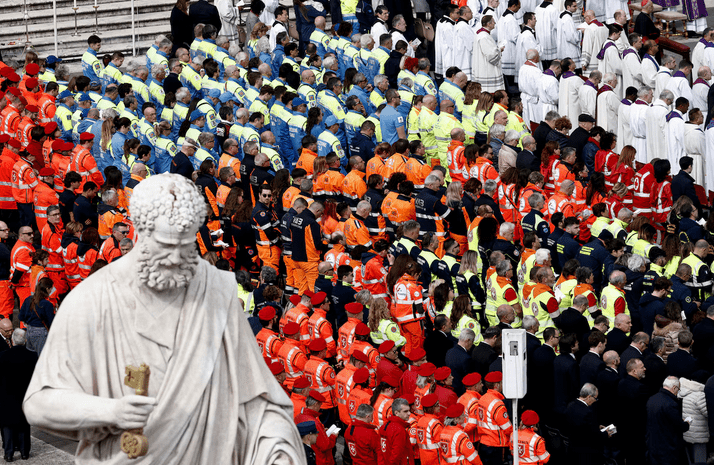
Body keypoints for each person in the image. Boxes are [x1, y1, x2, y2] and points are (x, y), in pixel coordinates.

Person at [23, 174, 305, 464]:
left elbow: (257, 400)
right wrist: (110, 411)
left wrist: (278, 450)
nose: (175, 259)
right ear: (139, 233)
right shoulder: (92, 299)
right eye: (166, 245)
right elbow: (39, 402)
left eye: (185, 247)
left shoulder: (216, 290)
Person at [0, 329, 37, 462]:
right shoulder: (33, 356)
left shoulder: (2, 356)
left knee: (8, 426)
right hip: (25, 396)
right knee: (24, 425)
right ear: (25, 340)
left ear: (13, 341)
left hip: (7, 397)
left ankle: (9, 453)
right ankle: (24, 452)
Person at [646, 377, 691, 465]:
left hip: (653, 445)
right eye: (678, 389)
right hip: (668, 447)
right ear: (674, 388)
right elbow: (679, 426)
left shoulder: (652, 399)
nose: (678, 392)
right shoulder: (671, 403)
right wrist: (686, 423)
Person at [566, 383, 611, 464]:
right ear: (589, 397)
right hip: (586, 454)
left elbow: (582, 426)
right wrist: (606, 434)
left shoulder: (570, 405)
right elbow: (593, 436)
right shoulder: (587, 412)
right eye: (595, 398)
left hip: (572, 449)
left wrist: (596, 426)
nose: (595, 401)